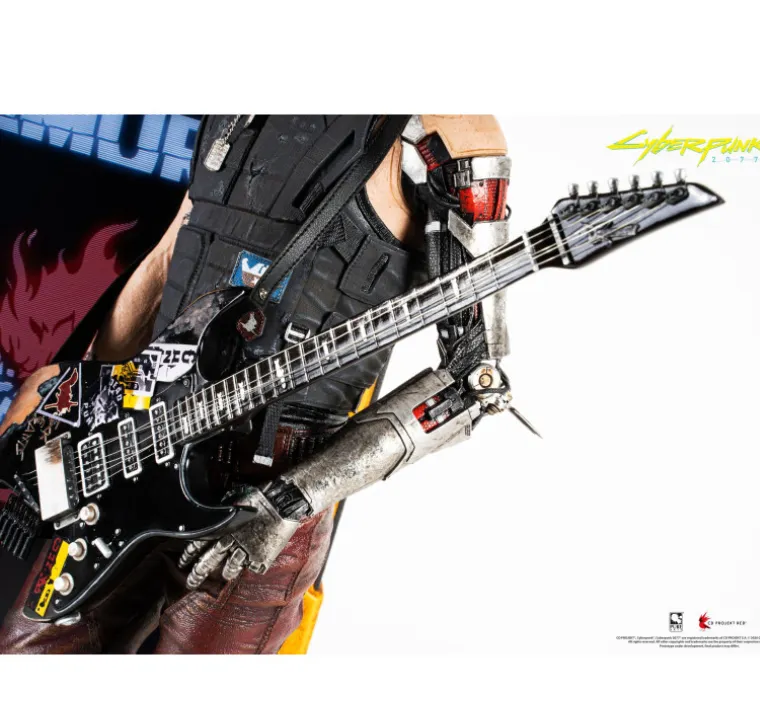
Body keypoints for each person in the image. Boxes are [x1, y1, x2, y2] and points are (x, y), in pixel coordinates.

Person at [0, 115, 515, 654]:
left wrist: (287, 504)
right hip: (131, 450)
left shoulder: (450, 128)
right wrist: (82, 393)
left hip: (267, 490)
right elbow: (174, 255)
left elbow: (472, 381)